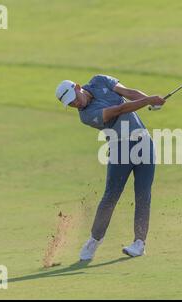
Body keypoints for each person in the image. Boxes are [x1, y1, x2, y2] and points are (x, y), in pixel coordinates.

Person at [55, 75, 165, 260]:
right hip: (120, 148)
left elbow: (128, 93)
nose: (75, 105)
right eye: (71, 105)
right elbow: (119, 109)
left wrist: (148, 100)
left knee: (143, 194)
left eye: (74, 100)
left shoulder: (100, 81)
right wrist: (148, 100)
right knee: (110, 197)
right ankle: (94, 240)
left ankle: (139, 243)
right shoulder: (86, 116)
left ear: (78, 87)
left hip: (144, 143)